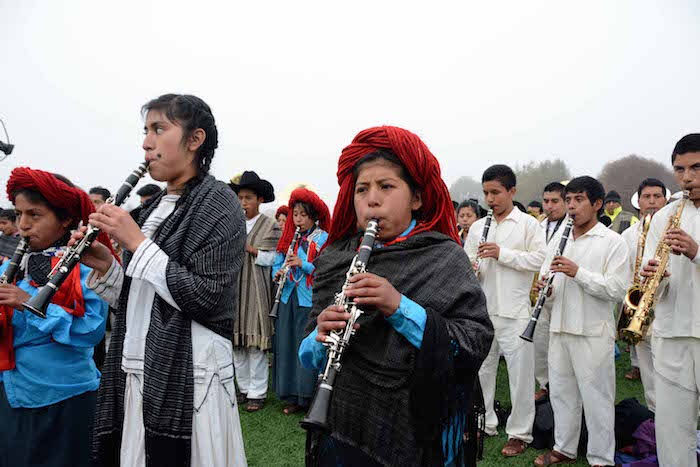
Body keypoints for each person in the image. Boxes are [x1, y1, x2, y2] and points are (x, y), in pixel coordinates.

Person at [299, 126, 493, 467]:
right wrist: (319, 336)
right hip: (340, 423)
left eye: (386, 186)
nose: (372, 199)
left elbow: (474, 341)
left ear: (416, 198)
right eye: (362, 190)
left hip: (413, 432)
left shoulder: (444, 257)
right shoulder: (336, 257)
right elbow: (308, 356)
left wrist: (398, 306)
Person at [75, 94, 248, 466]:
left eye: (159, 129)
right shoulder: (150, 209)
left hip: (190, 374)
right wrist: (106, 265)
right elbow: (142, 300)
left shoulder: (219, 202)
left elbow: (206, 298)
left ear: (194, 139)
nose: (146, 143)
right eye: (145, 131)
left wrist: (136, 243)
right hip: (136, 368)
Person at [0, 168, 110, 467]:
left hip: (63, 398)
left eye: (34, 215)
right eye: (19, 214)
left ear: (64, 219)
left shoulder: (82, 267)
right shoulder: (10, 268)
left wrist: (29, 305)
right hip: (12, 394)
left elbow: (90, 333)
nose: (23, 225)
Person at [534, 176, 629, 467]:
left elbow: (617, 289)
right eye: (569, 200)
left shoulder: (613, 242)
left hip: (592, 332)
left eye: (578, 200)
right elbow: (546, 280)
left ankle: (600, 458)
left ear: (597, 204)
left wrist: (578, 273)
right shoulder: (559, 239)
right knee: (562, 393)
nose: (571, 207)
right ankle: (564, 447)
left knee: (597, 398)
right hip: (560, 328)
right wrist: (544, 290)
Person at [641, 134, 700, 467]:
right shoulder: (664, 217)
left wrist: (696, 252)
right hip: (671, 332)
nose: (687, 177)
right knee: (671, 428)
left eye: (696, 168)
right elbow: (653, 277)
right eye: (679, 169)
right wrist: (655, 277)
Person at [271, 188, 330, 415]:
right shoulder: (288, 237)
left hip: (309, 299)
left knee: (305, 345)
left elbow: (325, 270)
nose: (298, 220)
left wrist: (302, 264)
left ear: (313, 216)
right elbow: (277, 263)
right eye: (295, 214)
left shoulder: (323, 238)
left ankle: (309, 396)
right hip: (287, 296)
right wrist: (277, 274)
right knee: (287, 345)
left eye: (303, 215)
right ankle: (292, 395)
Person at [230, 170, 281, 412]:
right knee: (236, 342)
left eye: (248, 198)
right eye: (240, 198)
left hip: (257, 290)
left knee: (256, 344)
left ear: (260, 199)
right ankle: (243, 389)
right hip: (233, 290)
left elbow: (274, 259)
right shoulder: (232, 223)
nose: (243, 203)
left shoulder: (270, 225)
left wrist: (252, 250)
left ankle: (258, 393)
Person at [619, 178, 667, 410]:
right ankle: (653, 418)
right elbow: (624, 273)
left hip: (669, 310)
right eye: (646, 197)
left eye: (657, 196)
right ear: (638, 201)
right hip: (640, 311)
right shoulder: (628, 236)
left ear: (665, 200)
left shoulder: (675, 229)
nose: (652, 202)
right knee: (648, 373)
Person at [533, 182, 569, 400]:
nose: (549, 206)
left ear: (565, 202)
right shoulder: (537, 225)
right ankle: (545, 385)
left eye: (555, 201)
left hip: (561, 293)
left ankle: (561, 385)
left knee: (559, 345)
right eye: (546, 201)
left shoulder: (572, 228)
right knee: (540, 343)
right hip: (538, 293)